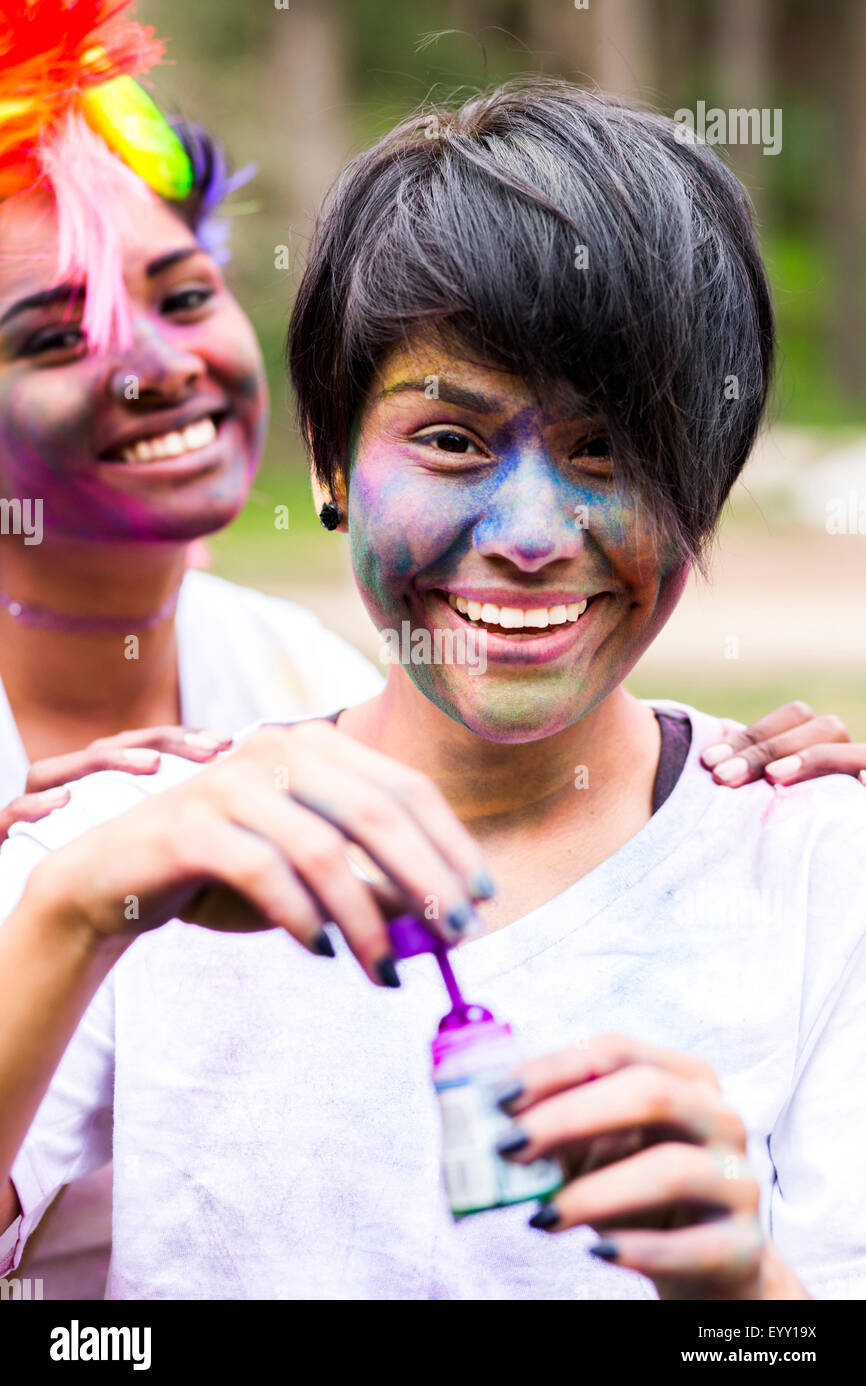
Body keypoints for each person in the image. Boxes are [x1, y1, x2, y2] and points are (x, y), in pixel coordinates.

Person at [1, 77, 865, 1301]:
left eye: (608, 450)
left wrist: (740, 1290)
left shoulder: (822, 870)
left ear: (704, 488)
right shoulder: (136, 855)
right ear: (331, 462)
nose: (528, 533)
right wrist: (72, 904)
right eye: (451, 440)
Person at [0, 0, 381, 1298]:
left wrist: (717, 769)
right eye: (56, 336)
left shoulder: (316, 689)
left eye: (182, 294)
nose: (161, 364)